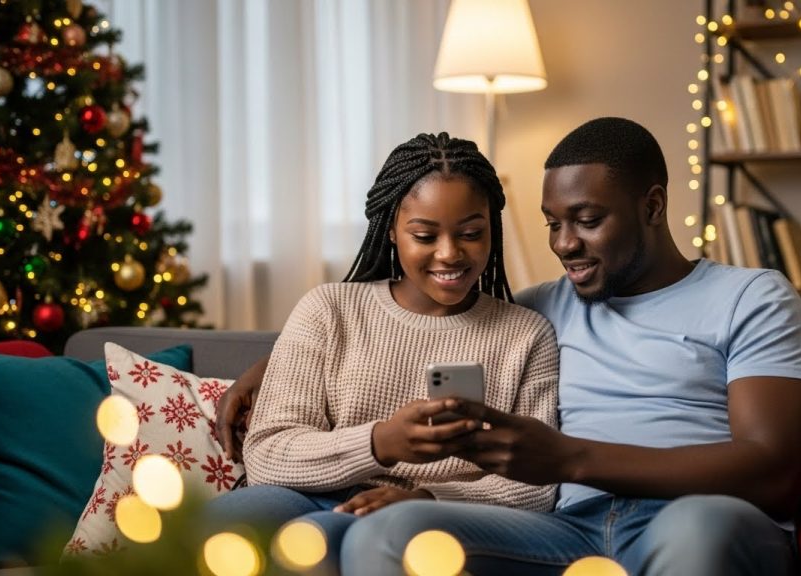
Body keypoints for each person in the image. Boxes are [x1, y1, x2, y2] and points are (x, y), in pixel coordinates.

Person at [218, 117, 801, 575]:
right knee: (395, 534)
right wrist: (270, 365)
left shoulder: (751, 297)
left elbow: (775, 470)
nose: (564, 244)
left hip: (699, 512)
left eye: (587, 220)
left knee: (700, 526)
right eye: (552, 224)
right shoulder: (544, 307)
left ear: (653, 206)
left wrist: (570, 460)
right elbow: (422, 325)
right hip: (568, 529)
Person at [206, 132, 559, 572]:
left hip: (426, 515)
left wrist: (426, 497)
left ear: (493, 227)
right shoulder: (328, 309)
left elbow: (534, 485)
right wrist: (380, 443)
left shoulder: (526, 335)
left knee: (314, 542)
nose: (449, 253)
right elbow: (267, 455)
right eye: (424, 235)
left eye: (471, 233)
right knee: (215, 526)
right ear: (391, 229)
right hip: (303, 494)